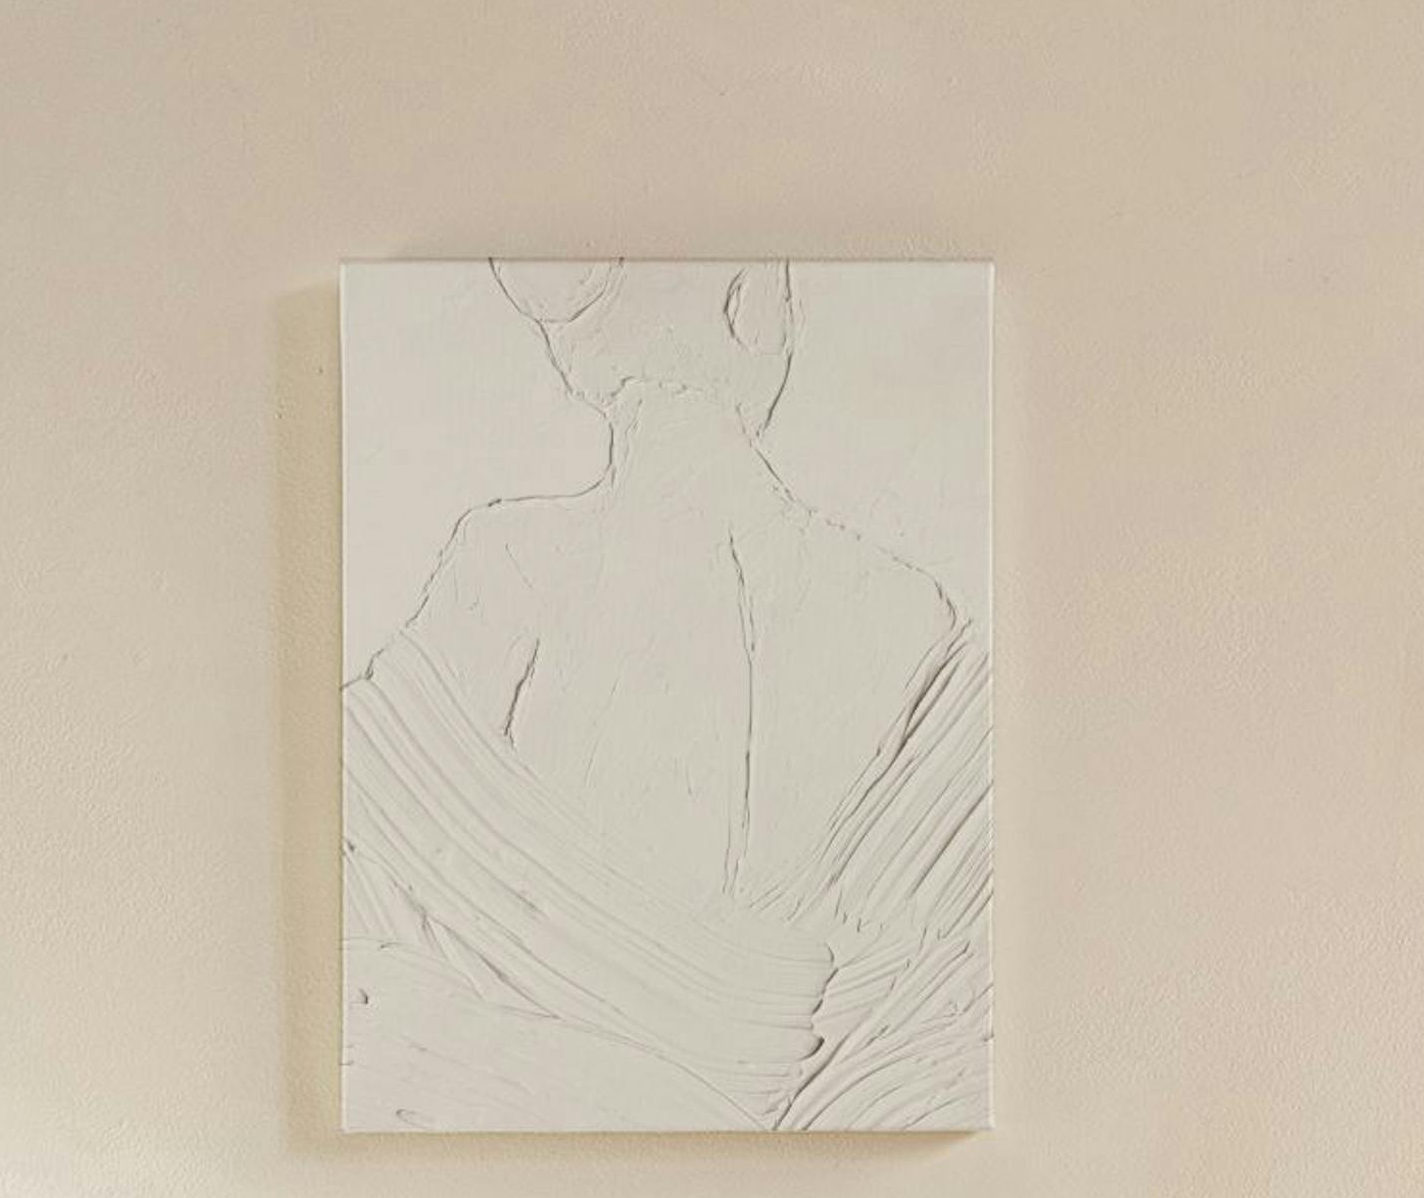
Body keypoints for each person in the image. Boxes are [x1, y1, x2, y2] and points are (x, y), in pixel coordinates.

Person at [345, 262, 990, 1128]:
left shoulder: (506, 562)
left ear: (574, 354)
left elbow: (358, 847)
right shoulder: (910, 609)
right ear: (751, 308)